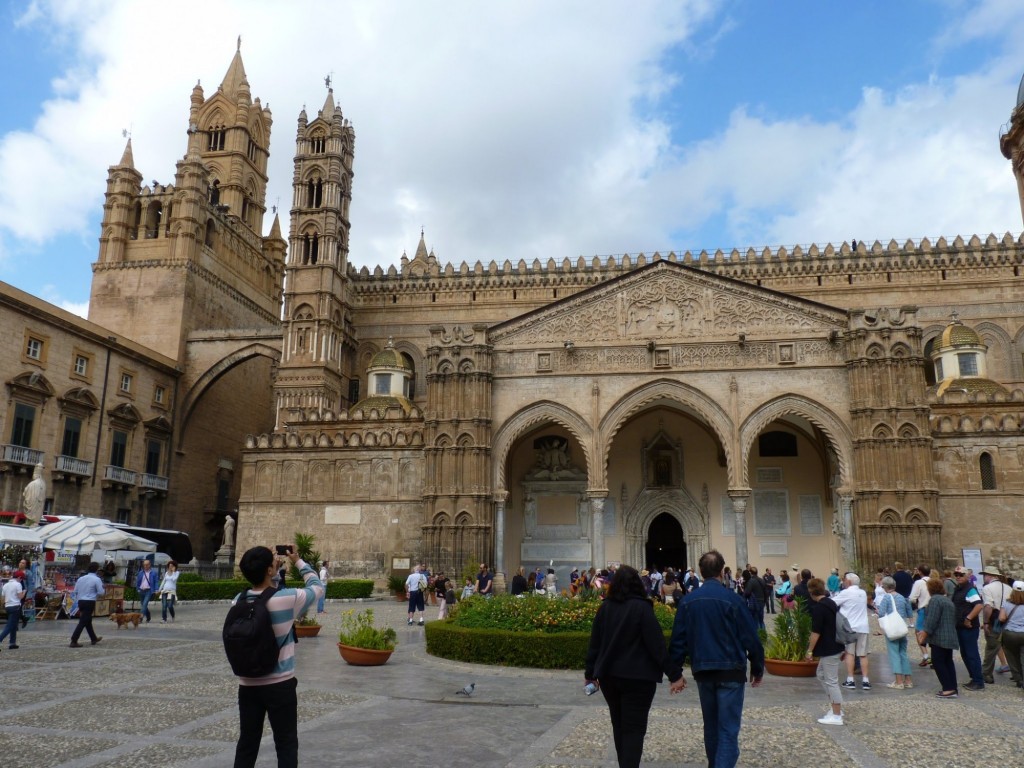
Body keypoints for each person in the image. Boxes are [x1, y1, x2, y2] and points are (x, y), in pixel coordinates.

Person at [232, 544, 323, 768]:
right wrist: (298, 560)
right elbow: (317, 586)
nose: (276, 561)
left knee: (247, 743)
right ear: (270, 571)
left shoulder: (238, 600)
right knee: (286, 743)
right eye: (273, 560)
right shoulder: (287, 599)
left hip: (248, 684)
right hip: (279, 684)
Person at [670, 550, 764, 768]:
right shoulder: (734, 600)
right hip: (731, 670)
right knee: (728, 729)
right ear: (722, 571)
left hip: (703, 671)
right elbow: (751, 638)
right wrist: (757, 668)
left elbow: (678, 641)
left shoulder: (688, 601)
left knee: (711, 727)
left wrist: (675, 673)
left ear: (701, 573)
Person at [585, 565, 685, 768]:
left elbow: (595, 644)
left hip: (610, 678)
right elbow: (656, 645)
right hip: (638, 679)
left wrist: (590, 674)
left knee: (619, 725)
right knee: (634, 729)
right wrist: (675, 675)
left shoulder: (605, 608)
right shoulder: (642, 609)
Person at [805, 577, 845, 725]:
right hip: (835, 645)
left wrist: (809, 650)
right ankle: (836, 706)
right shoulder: (831, 603)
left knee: (831, 681)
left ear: (811, 592)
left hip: (829, 648)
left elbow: (816, 632)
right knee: (821, 674)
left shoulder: (819, 608)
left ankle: (837, 714)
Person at [918, 578, 959, 698]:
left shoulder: (935, 600)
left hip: (940, 637)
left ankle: (948, 688)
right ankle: (952, 687)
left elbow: (932, 619)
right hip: (949, 635)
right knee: (948, 662)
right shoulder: (947, 600)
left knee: (938, 661)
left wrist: (924, 634)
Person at [834, 573, 871, 690]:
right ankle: (865, 680)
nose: (843, 582)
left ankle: (850, 679)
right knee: (863, 654)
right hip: (863, 627)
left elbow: (833, 602)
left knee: (850, 653)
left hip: (850, 627)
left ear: (848, 582)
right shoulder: (863, 593)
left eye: (844, 580)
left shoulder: (846, 592)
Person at [950, 565, 985, 690]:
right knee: (965, 653)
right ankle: (974, 677)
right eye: (957, 575)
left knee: (971, 653)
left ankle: (978, 680)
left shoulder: (970, 589)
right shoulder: (958, 589)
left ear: (967, 576)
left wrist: (968, 618)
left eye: (961, 575)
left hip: (968, 627)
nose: (958, 577)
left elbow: (979, 605)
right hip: (960, 626)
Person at [877, 576, 914, 689]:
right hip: (901, 626)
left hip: (892, 627)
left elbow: (882, 613)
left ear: (885, 586)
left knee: (894, 653)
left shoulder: (887, 598)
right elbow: (909, 611)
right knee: (903, 653)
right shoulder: (902, 597)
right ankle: (908, 680)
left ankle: (898, 681)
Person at [979, 566, 1012, 682]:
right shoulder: (1008, 588)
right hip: (1008, 621)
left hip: (994, 622)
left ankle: (986, 674)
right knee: (1011, 649)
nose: (983, 577)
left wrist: (986, 622)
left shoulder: (987, 588)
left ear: (989, 575)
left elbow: (988, 607)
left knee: (991, 648)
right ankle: (1018, 676)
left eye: (984, 575)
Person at [69, 562, 104, 648]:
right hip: (90, 601)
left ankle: (93, 638)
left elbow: (75, 590)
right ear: (97, 569)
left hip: (81, 600)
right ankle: (74, 639)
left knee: (87, 620)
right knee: (83, 621)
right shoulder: (96, 579)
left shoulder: (81, 578)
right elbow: (101, 592)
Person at [997, 580, 1024, 688]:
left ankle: (1018, 679)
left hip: (1010, 633)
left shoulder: (1007, 603)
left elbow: (1001, 618)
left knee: (1012, 657)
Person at [909, 564, 934, 666]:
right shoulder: (934, 581)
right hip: (934, 608)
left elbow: (911, 598)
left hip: (924, 609)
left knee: (919, 632)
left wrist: (917, 602)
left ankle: (926, 656)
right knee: (933, 632)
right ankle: (934, 657)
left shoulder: (918, 582)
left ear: (919, 572)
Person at [0, 570, 26, 650]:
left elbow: (3, 598)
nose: (21, 580)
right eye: (21, 579)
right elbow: (20, 596)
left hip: (8, 606)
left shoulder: (5, 585)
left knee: (14, 625)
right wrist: (24, 592)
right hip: (16, 606)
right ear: (19, 577)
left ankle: (12, 642)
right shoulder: (18, 584)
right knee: (10, 626)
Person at [135, 558, 157, 623]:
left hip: (148, 591)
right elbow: (138, 581)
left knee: (144, 604)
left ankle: (140, 619)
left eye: (147, 565)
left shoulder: (153, 573)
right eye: (144, 565)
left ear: (150, 565)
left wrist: (156, 589)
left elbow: (156, 581)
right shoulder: (140, 573)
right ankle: (148, 615)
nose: (145, 566)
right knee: (143, 605)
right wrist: (138, 588)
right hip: (141, 590)